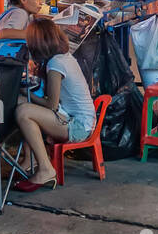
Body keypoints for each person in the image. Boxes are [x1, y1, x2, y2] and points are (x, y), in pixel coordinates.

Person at [13, 18, 96, 192]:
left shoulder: (56, 64)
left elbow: (51, 104)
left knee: (23, 111)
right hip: (78, 119)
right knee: (24, 108)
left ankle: (46, 169)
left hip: (79, 126)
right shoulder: (62, 57)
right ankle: (31, 160)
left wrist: (24, 93)